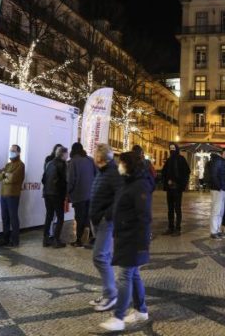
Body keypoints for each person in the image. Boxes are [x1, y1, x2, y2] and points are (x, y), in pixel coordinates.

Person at [98, 152, 152, 332]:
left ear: (129, 165)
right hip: (124, 235)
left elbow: (144, 215)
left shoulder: (140, 185)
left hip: (133, 237)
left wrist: (141, 239)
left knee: (124, 276)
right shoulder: (128, 182)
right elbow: (120, 205)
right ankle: (141, 310)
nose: (118, 166)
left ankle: (118, 317)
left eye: (121, 163)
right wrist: (109, 215)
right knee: (133, 274)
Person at [88, 143, 124, 313]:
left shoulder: (113, 173)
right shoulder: (104, 172)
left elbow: (120, 197)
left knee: (100, 256)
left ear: (99, 157)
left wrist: (106, 216)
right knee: (105, 256)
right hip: (97, 220)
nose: (93, 156)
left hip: (105, 222)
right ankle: (109, 292)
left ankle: (111, 295)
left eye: (95, 154)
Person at [67, 142, 97, 247]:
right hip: (90, 194)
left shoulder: (73, 162)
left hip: (79, 195)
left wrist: (68, 192)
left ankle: (79, 240)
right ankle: (91, 237)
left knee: (79, 217)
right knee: (88, 216)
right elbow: (96, 175)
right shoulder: (90, 160)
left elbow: (71, 180)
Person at [0, 144, 25, 247]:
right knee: (5, 217)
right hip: (3, 194)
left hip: (13, 195)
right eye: (10, 150)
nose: (11, 152)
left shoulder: (21, 165)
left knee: (13, 217)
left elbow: (13, 178)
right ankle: (5, 238)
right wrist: (5, 175)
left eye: (13, 150)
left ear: (18, 152)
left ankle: (15, 240)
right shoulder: (8, 165)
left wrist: (4, 174)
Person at [162, 143, 190, 236]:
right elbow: (164, 172)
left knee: (177, 208)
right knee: (170, 209)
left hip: (177, 188)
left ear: (177, 149)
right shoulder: (169, 160)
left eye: (173, 148)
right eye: (170, 148)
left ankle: (178, 229)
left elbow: (186, 172)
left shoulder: (181, 159)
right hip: (169, 188)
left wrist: (181, 185)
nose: (172, 150)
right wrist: (167, 181)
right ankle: (170, 227)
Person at [43, 145, 68, 248]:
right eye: (67, 153)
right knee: (60, 217)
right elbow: (64, 180)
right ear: (63, 154)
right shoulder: (62, 164)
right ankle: (56, 240)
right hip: (57, 194)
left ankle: (45, 239)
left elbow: (43, 179)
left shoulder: (49, 163)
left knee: (49, 215)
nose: (68, 155)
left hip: (47, 193)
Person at [207, 148, 225, 240]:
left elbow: (223, 174)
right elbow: (213, 175)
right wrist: (219, 186)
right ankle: (213, 232)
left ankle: (217, 230)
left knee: (221, 211)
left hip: (222, 188)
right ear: (223, 153)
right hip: (217, 189)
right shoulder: (217, 161)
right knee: (216, 211)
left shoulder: (223, 161)